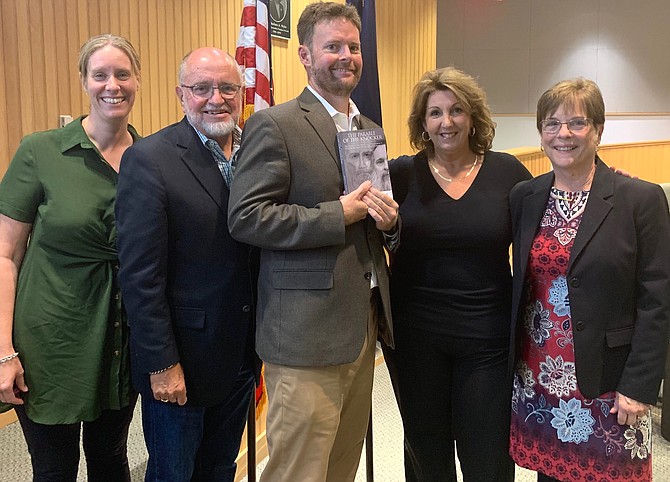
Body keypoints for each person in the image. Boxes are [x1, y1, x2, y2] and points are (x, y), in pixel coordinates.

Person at [228, 3, 398, 481]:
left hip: (362, 329)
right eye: (332, 47)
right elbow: (246, 217)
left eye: (353, 47)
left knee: (342, 466)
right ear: (304, 55)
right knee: (298, 471)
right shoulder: (276, 125)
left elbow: (374, 222)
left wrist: (389, 224)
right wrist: (335, 214)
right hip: (303, 337)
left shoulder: (370, 130)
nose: (346, 56)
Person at [508, 78, 670, 482]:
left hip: (610, 382)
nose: (563, 134)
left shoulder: (640, 199)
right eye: (551, 123)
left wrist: (640, 384)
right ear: (541, 134)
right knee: (551, 474)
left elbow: (658, 298)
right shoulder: (525, 196)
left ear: (598, 130)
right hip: (540, 374)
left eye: (577, 123)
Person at [0, 34, 141, 481]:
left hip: (120, 341)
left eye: (122, 74)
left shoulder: (153, 158)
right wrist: (3, 351)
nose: (111, 85)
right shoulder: (40, 151)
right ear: (84, 81)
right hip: (50, 341)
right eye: (99, 75)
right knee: (55, 468)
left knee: (111, 460)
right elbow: (5, 254)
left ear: (138, 80)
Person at [115, 48, 257, 481]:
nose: (216, 98)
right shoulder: (149, 159)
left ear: (241, 93)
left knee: (219, 469)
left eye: (228, 87)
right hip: (180, 362)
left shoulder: (256, 152)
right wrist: (161, 364)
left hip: (242, 355)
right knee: (174, 473)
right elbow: (140, 276)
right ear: (181, 95)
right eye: (201, 88)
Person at [384, 67, 532, 481]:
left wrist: (613, 182)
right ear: (423, 124)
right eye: (435, 113)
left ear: (473, 118)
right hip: (414, 336)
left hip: (487, 339)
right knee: (425, 451)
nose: (446, 122)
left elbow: (555, 210)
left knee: (486, 453)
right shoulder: (399, 175)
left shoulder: (508, 173)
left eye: (456, 110)